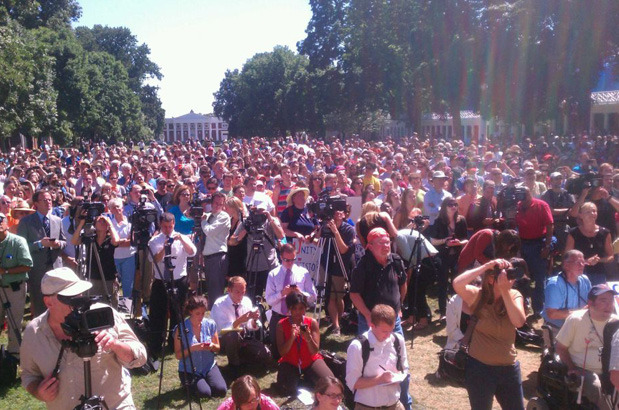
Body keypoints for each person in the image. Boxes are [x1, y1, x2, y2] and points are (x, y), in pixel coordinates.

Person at [20, 267, 147, 409]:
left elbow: (140, 357)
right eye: (70, 298)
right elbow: (28, 375)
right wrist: (38, 391)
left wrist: (115, 345)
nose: (78, 302)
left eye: (79, 294)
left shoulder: (102, 315)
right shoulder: (34, 332)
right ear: (49, 302)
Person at [453, 258, 528, 410]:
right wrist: (486, 266)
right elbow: (457, 284)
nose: (509, 279)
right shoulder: (478, 295)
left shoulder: (514, 295)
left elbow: (519, 321)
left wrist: (505, 291)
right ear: (490, 278)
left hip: (508, 369)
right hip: (480, 368)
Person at [555, 284, 619, 410]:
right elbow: (561, 347)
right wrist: (571, 367)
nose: (609, 305)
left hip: (610, 370)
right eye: (603, 300)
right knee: (595, 385)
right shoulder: (576, 319)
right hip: (582, 369)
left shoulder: (616, 322)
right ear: (590, 303)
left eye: (611, 300)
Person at [148, 212, 197, 357]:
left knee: (178, 312)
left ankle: (175, 342)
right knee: (158, 314)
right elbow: (154, 259)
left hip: (179, 280)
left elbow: (192, 252)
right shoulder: (155, 240)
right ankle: (156, 343)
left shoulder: (181, 237)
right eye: (165, 227)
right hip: (161, 281)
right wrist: (164, 247)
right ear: (160, 225)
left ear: (174, 224)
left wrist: (182, 239)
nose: (168, 229)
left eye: (170, 226)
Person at [345, 304, 409, 410]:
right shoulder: (358, 346)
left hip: (394, 405)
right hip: (367, 407)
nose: (388, 335)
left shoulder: (397, 340)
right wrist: (380, 380)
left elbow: (404, 369)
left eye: (391, 330)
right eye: (384, 331)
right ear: (372, 325)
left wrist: (398, 376)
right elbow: (353, 382)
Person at [17, 189, 66, 317]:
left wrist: (58, 244)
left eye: (50, 199)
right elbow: (21, 247)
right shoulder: (26, 222)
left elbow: (64, 241)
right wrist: (39, 244)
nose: (48, 202)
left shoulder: (57, 220)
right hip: (37, 270)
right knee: (39, 303)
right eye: (44, 200)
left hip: (55, 268)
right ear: (36, 203)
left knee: (57, 301)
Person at [275, 292, 334, 396]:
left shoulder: (312, 323)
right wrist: (292, 337)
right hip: (290, 361)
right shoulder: (281, 324)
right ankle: (302, 378)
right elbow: (282, 352)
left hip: (310, 360)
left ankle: (308, 376)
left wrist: (308, 337)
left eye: (301, 308)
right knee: (285, 390)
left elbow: (314, 351)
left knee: (329, 384)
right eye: (294, 308)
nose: (298, 312)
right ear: (289, 309)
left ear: (306, 308)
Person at [210, 276, 272, 375]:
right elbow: (223, 330)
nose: (240, 296)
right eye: (237, 292)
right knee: (232, 335)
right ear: (229, 290)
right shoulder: (219, 305)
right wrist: (240, 320)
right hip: (222, 340)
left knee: (266, 355)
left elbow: (250, 326)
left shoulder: (246, 301)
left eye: (243, 292)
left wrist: (254, 319)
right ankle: (234, 367)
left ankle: (241, 358)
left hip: (243, 337)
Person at [266, 243, 317, 354]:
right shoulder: (273, 274)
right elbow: (269, 300)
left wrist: (300, 293)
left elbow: (313, 297)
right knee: (277, 353)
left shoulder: (303, 273)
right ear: (280, 257)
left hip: (297, 316)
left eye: (292, 259)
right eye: (286, 260)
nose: (290, 263)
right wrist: (282, 293)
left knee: (301, 350)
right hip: (278, 317)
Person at [173, 294, 227, 399]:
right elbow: (178, 355)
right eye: (198, 313)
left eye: (203, 313)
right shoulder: (180, 328)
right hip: (189, 369)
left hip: (208, 366)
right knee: (205, 393)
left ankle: (206, 380)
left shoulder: (210, 324)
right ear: (191, 311)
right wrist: (192, 348)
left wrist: (211, 346)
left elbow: (217, 347)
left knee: (221, 390)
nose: (201, 316)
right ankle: (187, 383)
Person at [315, 207, 355, 335]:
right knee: (329, 297)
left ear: (344, 215)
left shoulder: (349, 229)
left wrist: (335, 232)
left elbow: (343, 250)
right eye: (336, 211)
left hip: (340, 265)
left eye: (341, 211)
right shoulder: (325, 226)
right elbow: (318, 242)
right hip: (326, 264)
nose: (338, 213)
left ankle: (340, 319)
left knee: (338, 296)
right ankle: (336, 325)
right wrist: (319, 232)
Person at [230, 204, 284, 298]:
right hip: (253, 267)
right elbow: (231, 241)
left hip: (271, 265)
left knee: (274, 295)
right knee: (252, 298)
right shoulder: (248, 221)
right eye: (256, 211)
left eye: (260, 211)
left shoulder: (271, 220)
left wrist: (269, 217)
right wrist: (242, 234)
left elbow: (281, 235)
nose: (258, 214)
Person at [514, 186, 554, 315]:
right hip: (523, 244)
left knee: (539, 278)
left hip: (538, 244)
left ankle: (538, 308)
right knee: (521, 276)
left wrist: (547, 246)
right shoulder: (517, 206)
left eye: (524, 194)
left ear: (529, 193)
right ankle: (523, 304)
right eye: (519, 195)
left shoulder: (541, 205)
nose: (522, 197)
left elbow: (549, 225)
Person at [427, 197, 468, 320]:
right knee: (442, 284)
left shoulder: (461, 220)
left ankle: (458, 309)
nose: (453, 207)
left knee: (457, 283)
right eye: (450, 204)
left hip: (456, 255)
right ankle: (443, 312)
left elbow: (466, 239)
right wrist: (445, 241)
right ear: (445, 206)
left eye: (455, 204)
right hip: (443, 256)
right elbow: (433, 241)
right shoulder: (439, 221)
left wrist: (458, 243)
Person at [0, 212, 33, 357]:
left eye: (1, 221)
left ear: (7, 223)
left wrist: (5, 271)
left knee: (15, 322)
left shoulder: (18, 241)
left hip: (14, 288)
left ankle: (14, 356)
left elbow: (27, 265)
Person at [394, 223, 438, 330]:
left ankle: (423, 319)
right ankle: (411, 318)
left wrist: (406, 281)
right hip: (421, 260)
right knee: (413, 290)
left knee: (418, 290)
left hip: (427, 261)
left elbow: (411, 261)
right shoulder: (400, 235)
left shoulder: (398, 237)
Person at [72, 214, 120, 307]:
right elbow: (74, 241)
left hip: (109, 277)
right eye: (99, 221)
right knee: (93, 305)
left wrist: (110, 224)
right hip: (93, 277)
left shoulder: (109, 239)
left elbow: (116, 241)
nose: (102, 223)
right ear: (94, 224)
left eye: (104, 222)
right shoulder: (90, 238)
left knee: (111, 305)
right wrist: (82, 223)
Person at [565, 202, 614, 286]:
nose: (592, 213)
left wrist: (599, 260)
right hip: (578, 273)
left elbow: (611, 256)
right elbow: (567, 257)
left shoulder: (605, 232)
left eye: (594, 211)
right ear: (580, 215)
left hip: (599, 273)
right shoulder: (573, 233)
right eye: (588, 211)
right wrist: (586, 262)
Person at [541, 250, 592, 329]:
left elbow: (591, 301)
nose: (582, 265)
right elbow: (552, 314)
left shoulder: (585, 280)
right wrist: (580, 313)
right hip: (557, 328)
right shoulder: (555, 284)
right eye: (578, 262)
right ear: (566, 265)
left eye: (583, 262)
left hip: (579, 325)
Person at [201, 192, 231, 309]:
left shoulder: (224, 217)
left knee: (216, 291)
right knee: (211, 288)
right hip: (209, 257)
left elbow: (209, 231)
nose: (218, 206)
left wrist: (203, 221)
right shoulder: (208, 216)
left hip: (217, 256)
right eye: (216, 203)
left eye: (221, 204)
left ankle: (217, 314)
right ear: (211, 203)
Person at [540, 171, 576, 251]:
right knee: (548, 248)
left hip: (563, 224)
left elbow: (573, 209)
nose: (559, 181)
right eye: (556, 179)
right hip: (549, 225)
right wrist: (567, 210)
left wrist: (564, 211)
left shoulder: (568, 194)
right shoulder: (546, 194)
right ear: (551, 181)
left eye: (560, 178)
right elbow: (551, 211)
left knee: (565, 248)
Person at [108, 197, 136, 299]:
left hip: (129, 257)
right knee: (114, 283)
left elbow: (131, 242)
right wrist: (122, 241)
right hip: (114, 258)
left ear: (122, 208)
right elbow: (110, 242)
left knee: (128, 283)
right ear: (110, 210)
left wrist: (117, 242)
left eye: (118, 207)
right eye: (113, 208)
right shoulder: (109, 224)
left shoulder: (130, 223)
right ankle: (114, 304)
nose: (116, 209)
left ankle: (127, 305)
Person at [457, 228, 521, 273]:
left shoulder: (499, 241)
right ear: (504, 241)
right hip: (468, 262)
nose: (509, 248)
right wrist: (493, 264)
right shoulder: (487, 235)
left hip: (482, 265)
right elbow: (477, 255)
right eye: (508, 246)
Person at [224, 196, 247, 277]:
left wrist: (232, 241)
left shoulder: (243, 221)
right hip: (230, 255)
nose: (225, 209)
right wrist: (234, 240)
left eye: (227, 207)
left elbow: (232, 241)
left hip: (240, 256)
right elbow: (231, 241)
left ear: (234, 208)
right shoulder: (229, 220)